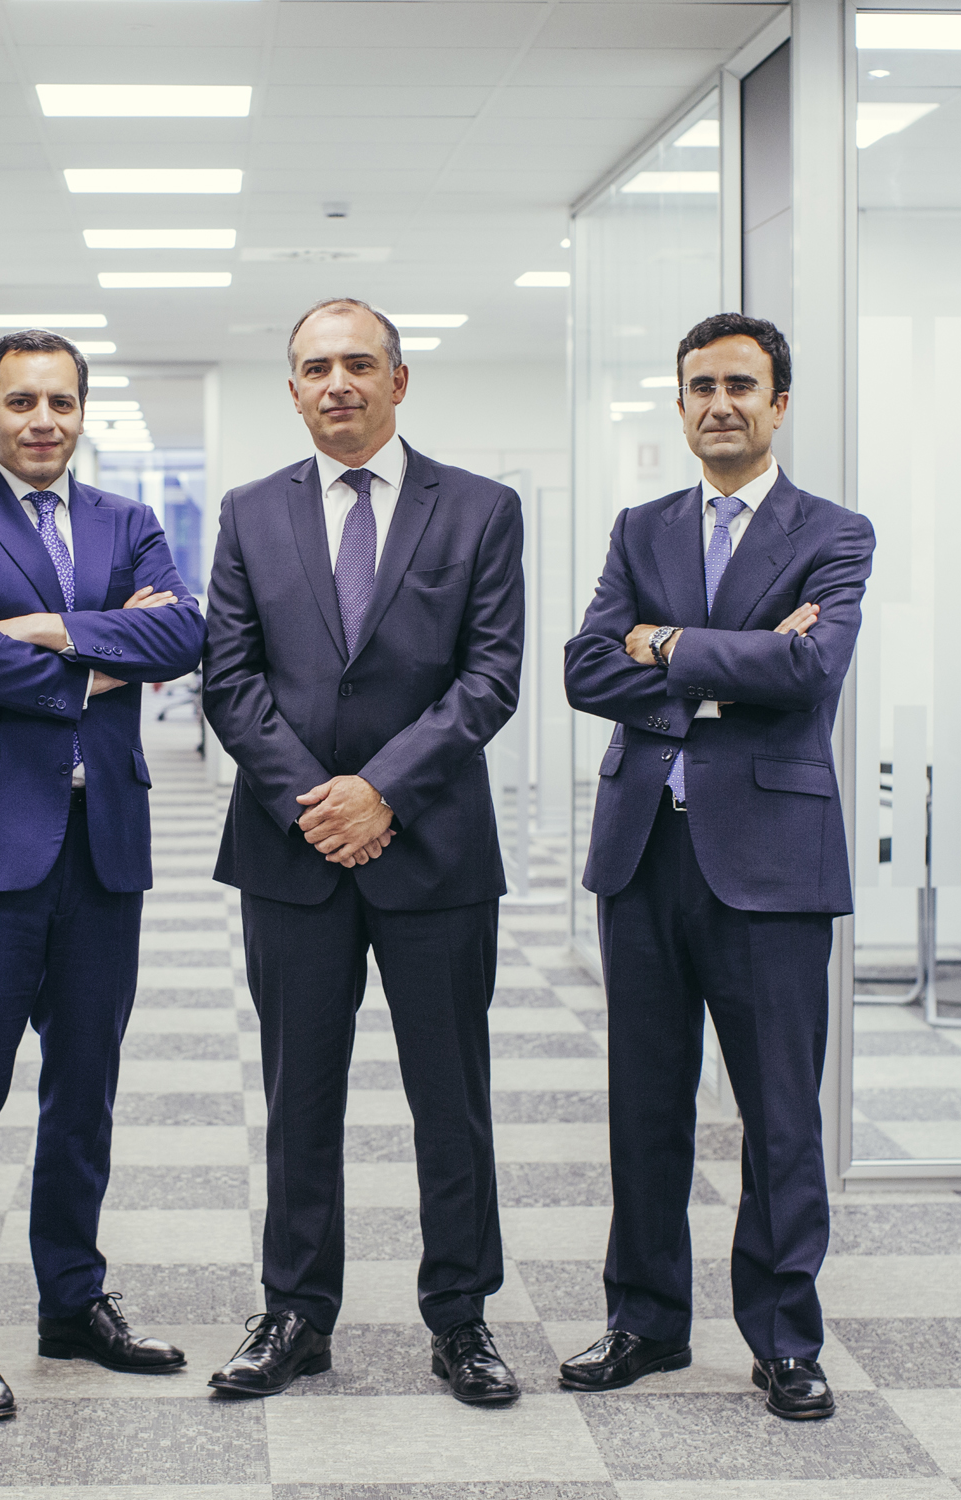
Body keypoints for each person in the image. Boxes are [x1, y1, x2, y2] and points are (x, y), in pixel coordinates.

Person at [201, 298, 526, 1404]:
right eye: (313, 368)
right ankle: (296, 1312)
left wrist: (382, 791)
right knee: (298, 1095)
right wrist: (318, 802)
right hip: (291, 851)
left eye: (356, 364)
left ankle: (462, 1317)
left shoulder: (478, 508)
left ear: (398, 379)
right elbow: (229, 679)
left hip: (433, 848)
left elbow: (491, 676)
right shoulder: (250, 512)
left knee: (452, 1095)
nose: (335, 383)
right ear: (292, 390)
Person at [560, 313, 874, 1421]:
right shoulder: (641, 528)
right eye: (701, 386)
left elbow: (810, 670)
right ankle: (645, 1321)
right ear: (682, 403)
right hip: (644, 854)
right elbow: (585, 668)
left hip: (773, 864)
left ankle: (785, 1340)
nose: (720, 403)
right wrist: (731, 663)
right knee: (644, 1104)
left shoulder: (833, 532)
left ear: (779, 403)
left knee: (780, 1113)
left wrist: (663, 645)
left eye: (742, 384)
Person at [0, 331, 207, 1420]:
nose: (42, 420)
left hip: (102, 845)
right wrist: (98, 657)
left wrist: (43, 629)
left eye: (61, 402)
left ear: (82, 411)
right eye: (21, 401)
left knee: (85, 1092)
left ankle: (73, 1301)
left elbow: (185, 638)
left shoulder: (129, 521)